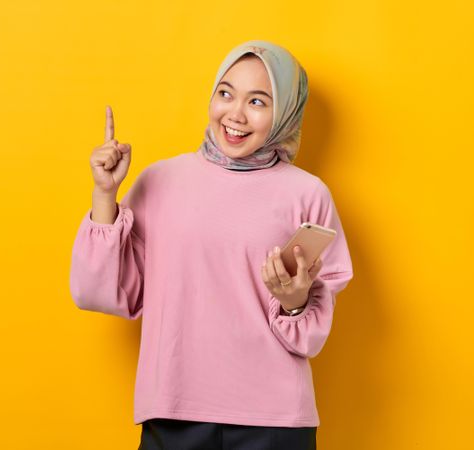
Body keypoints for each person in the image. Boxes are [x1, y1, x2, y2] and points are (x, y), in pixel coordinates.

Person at [69, 39, 353, 450]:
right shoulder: (160, 181)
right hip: (174, 408)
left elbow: (309, 336)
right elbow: (102, 293)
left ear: (285, 113)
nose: (235, 114)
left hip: (275, 419)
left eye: (258, 101)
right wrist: (104, 196)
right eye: (225, 93)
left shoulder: (306, 194)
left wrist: (295, 301)